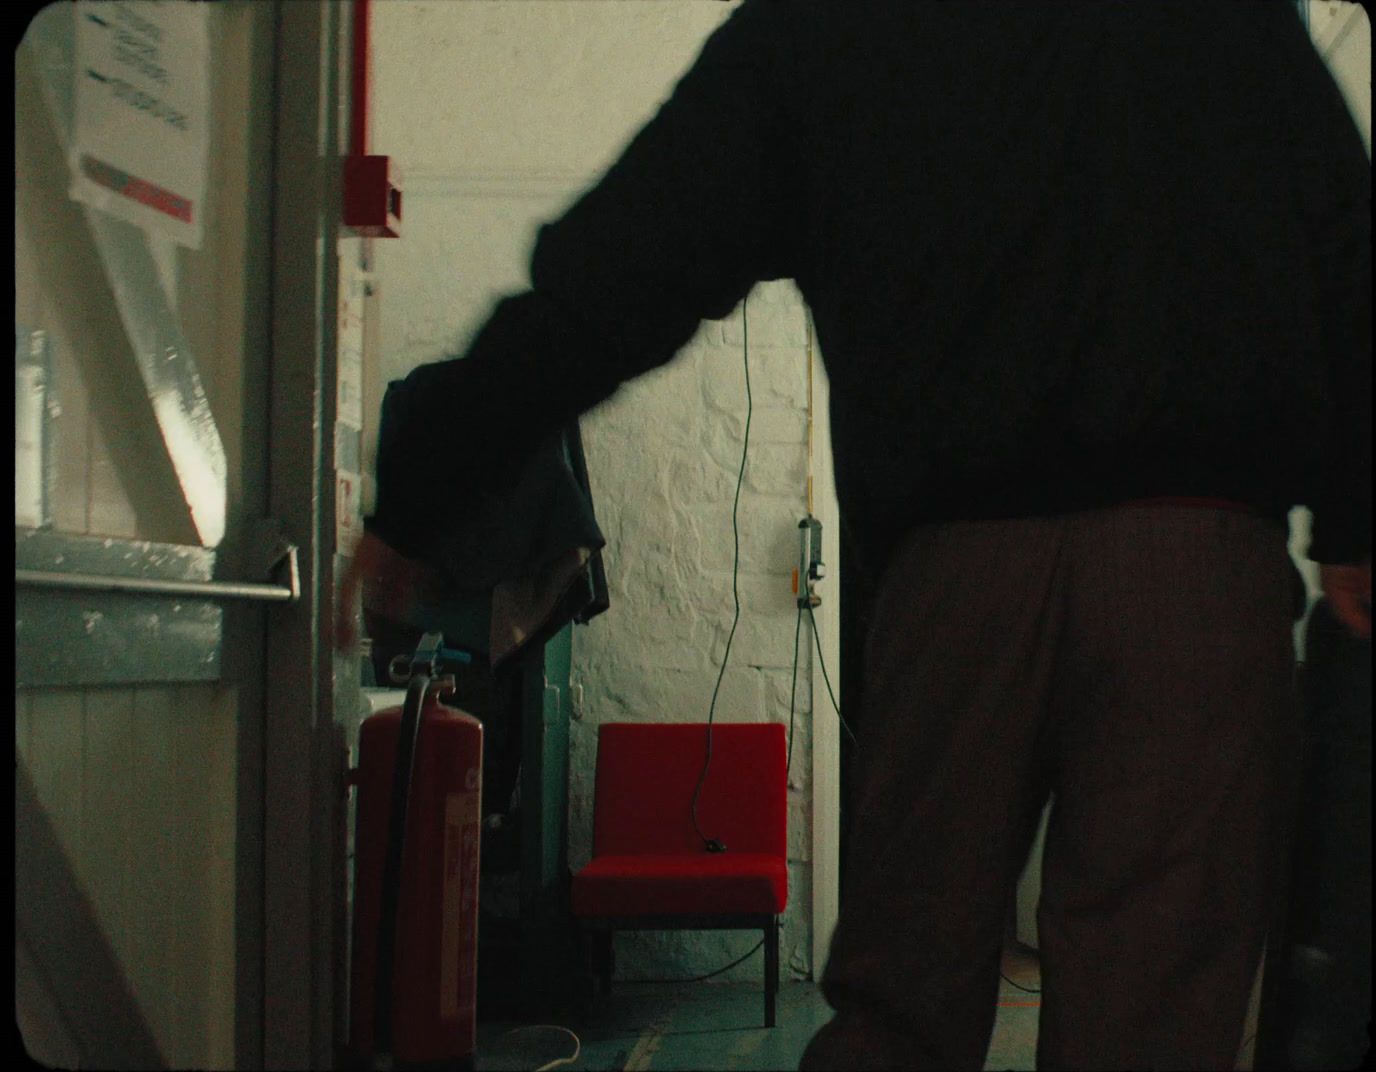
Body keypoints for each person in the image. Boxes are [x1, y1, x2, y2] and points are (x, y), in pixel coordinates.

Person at [336, 2, 1371, 1068]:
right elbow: (1346, 243)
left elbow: (625, 265)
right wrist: (1356, 517)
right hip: (1195, 566)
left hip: (951, 570)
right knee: (1153, 1019)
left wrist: (428, 485)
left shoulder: (830, 22)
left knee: (900, 1008)